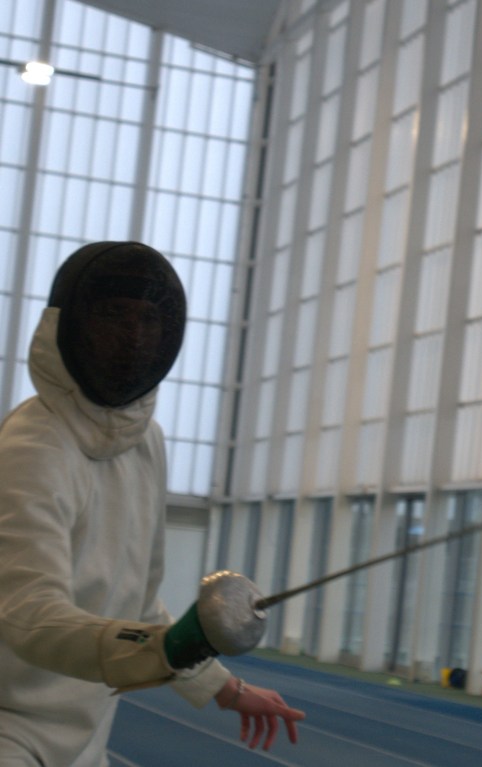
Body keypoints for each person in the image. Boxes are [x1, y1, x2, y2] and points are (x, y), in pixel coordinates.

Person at [0, 241, 305, 766]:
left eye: (150, 320)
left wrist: (223, 687)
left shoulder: (146, 443)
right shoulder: (33, 447)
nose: (134, 337)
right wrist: (164, 649)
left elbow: (136, 603)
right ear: (70, 324)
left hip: (88, 732)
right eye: (114, 315)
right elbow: (29, 617)